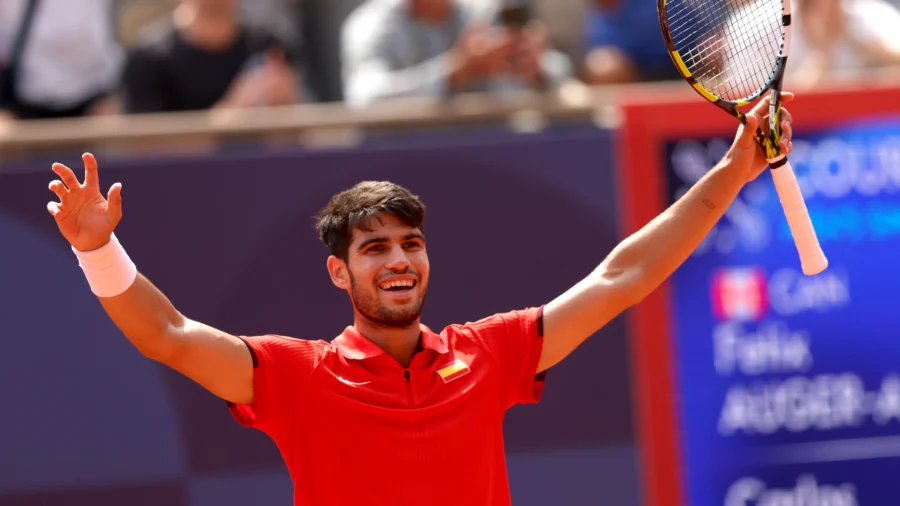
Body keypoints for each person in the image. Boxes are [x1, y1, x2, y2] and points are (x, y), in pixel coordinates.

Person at [44, 93, 795, 505]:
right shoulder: (293, 376)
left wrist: (733, 169)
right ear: (340, 273)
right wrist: (96, 248)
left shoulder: (490, 353)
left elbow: (622, 277)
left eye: (410, 243)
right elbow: (168, 335)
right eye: (375, 249)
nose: (398, 261)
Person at [340, 0, 571, 107]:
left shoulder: (483, 12)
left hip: (494, 163)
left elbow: (562, 73)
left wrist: (535, 69)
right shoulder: (370, 25)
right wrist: (453, 72)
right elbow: (365, 99)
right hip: (402, 173)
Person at [121, 0, 302, 113]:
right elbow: (144, 150)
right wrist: (232, 113)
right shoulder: (147, 58)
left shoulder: (270, 44)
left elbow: (298, 141)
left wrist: (285, 105)